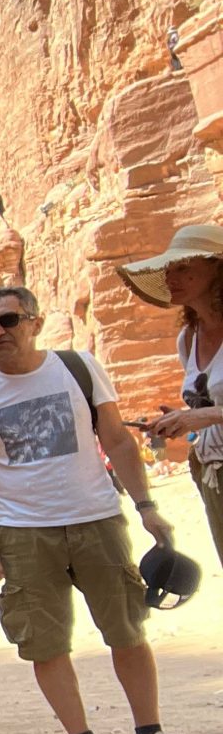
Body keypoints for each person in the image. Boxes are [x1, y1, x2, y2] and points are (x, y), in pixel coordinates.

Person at [0, 287, 202, 734]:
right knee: (44, 642)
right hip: (22, 532)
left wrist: (147, 507)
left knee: (126, 627)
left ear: (35, 321)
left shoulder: (79, 368)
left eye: (8, 320)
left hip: (96, 518)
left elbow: (117, 440)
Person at [116, 222, 223, 565]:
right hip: (212, 474)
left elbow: (210, 412)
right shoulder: (189, 338)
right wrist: (179, 419)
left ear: (216, 268)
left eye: (182, 268)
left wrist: (202, 416)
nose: (169, 278)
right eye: (168, 269)